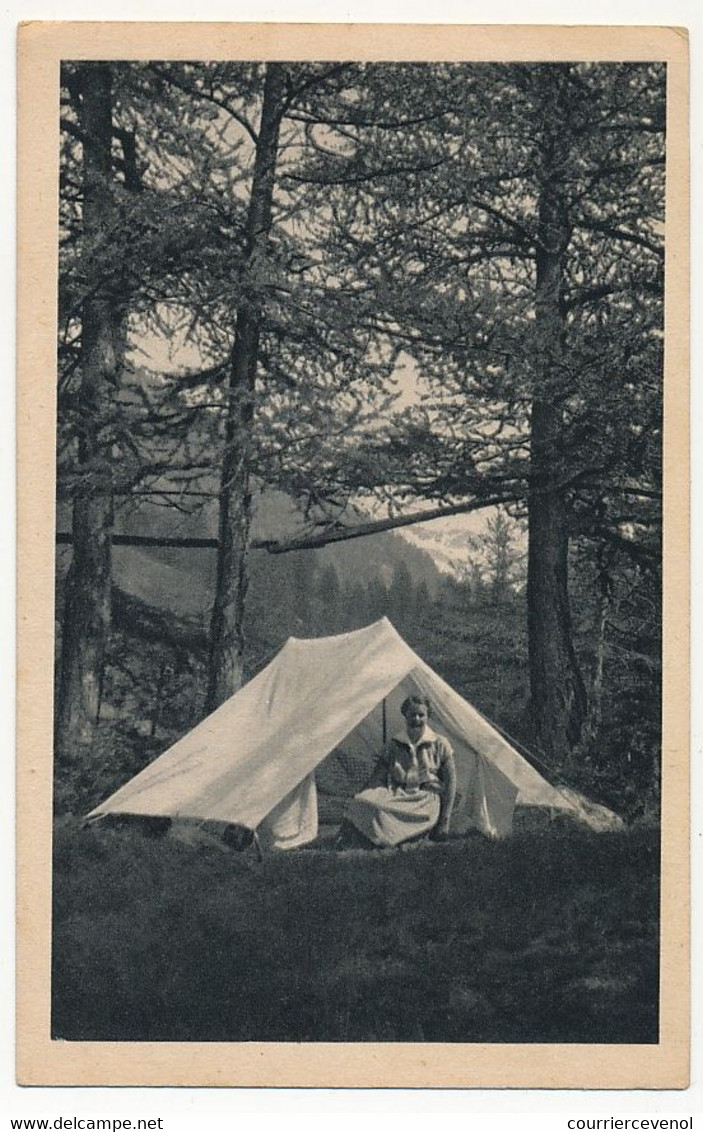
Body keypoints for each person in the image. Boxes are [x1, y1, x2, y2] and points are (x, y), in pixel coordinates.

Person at [341, 694, 456, 848]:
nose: (416, 719)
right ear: (405, 716)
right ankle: (377, 836)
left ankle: (393, 837)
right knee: (364, 802)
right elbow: (377, 778)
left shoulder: (440, 743)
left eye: (421, 715)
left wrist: (445, 819)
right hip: (398, 795)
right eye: (412, 715)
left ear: (428, 716)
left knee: (387, 817)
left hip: (425, 799)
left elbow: (451, 781)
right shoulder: (394, 744)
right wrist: (362, 798)